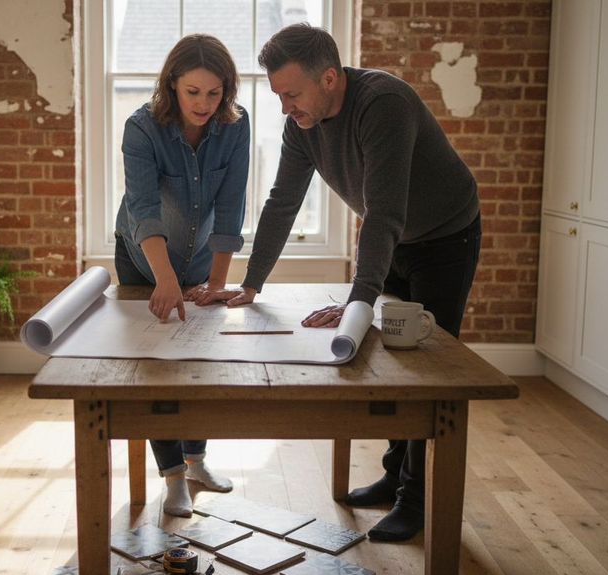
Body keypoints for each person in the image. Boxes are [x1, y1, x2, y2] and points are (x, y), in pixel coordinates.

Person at [198, 23, 481, 542]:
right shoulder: (303, 123)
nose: (284, 106)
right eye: (278, 95)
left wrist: (359, 299)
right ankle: (396, 473)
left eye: (291, 93)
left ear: (329, 78)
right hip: (395, 238)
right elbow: (283, 203)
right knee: (392, 362)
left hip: (445, 237)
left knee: (425, 371)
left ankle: (415, 501)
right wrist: (251, 284)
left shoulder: (385, 104)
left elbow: (383, 214)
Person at [115, 34, 251, 517]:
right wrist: (164, 279)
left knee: (202, 362)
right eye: (193, 91)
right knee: (160, 368)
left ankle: (196, 461)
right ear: (172, 84)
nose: (203, 104)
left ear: (227, 91)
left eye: (214, 93)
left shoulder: (236, 126)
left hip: (198, 261)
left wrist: (216, 284)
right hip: (144, 259)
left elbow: (232, 208)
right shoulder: (142, 128)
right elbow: (144, 210)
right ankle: (172, 478)